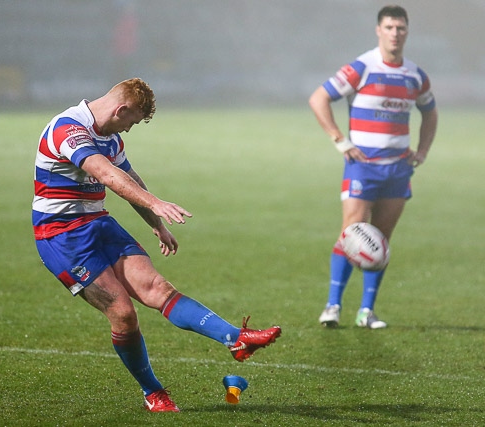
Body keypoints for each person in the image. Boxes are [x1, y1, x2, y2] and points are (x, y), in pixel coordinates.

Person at [32, 78, 281, 412]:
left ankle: (235, 337)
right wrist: (157, 202)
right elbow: (106, 175)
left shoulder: (111, 138)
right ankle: (154, 393)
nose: (131, 129)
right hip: (61, 237)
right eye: (132, 121)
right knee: (123, 314)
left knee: (158, 288)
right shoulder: (69, 129)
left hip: (98, 223)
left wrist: (156, 224)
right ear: (120, 109)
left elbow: (130, 179)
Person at [308, 5, 438, 329]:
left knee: (379, 241)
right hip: (362, 166)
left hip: (398, 169)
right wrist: (340, 140)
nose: (395, 33)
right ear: (379, 30)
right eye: (390, 27)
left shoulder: (415, 75)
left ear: (407, 32)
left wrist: (422, 150)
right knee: (351, 234)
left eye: (401, 28)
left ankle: (366, 312)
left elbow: (430, 113)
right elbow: (319, 98)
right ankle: (332, 306)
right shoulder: (362, 67)